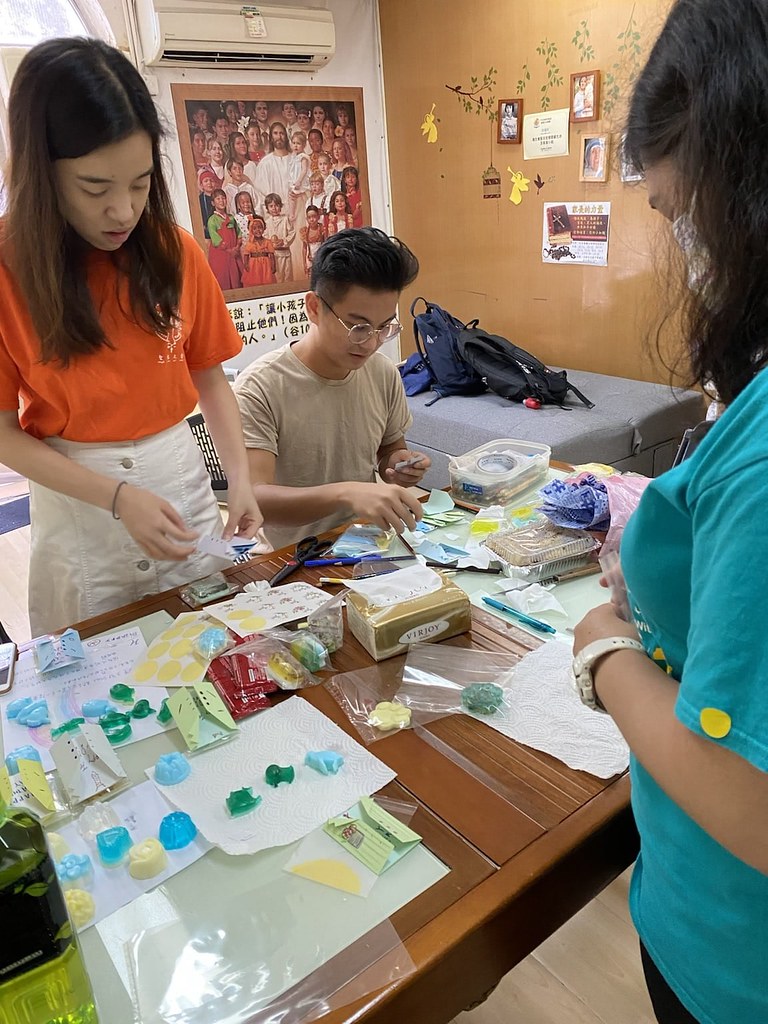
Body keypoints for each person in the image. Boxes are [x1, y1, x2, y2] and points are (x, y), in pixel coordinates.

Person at [572, 2, 768, 1022]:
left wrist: (605, 647)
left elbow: (752, 799)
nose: (687, 249)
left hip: (734, 957)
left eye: (679, 213)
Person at [0, 38, 261, 635]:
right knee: (102, 679)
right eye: (95, 189)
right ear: (44, 173)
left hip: (180, 479)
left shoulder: (173, 251)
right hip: (78, 498)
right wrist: (116, 497)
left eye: (140, 184)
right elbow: (3, 435)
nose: (123, 212)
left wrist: (241, 480)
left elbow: (210, 378)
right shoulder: (7, 267)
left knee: (203, 654)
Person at [233, 228, 430, 549]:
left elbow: (388, 450)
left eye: (384, 328)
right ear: (313, 307)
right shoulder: (261, 386)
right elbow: (255, 499)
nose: (371, 342)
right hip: (289, 556)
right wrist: (348, 493)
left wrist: (398, 465)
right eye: (358, 326)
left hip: (365, 541)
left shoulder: (382, 372)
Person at [207, 189, 243, 289]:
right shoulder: (212, 220)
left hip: (234, 253)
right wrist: (229, 250)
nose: (221, 201)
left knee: (236, 278)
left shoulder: (231, 218)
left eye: (223, 198)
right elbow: (215, 240)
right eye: (218, 199)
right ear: (213, 203)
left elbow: (238, 233)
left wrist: (237, 247)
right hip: (221, 254)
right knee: (222, 278)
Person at [255, 122, 293, 205]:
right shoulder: (265, 163)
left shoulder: (295, 160)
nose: (279, 137)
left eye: (281, 133)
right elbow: (261, 191)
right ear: (271, 138)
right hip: (273, 210)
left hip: (295, 209)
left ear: (286, 137)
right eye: (275, 133)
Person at [263, 193, 295, 283]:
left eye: (276, 205)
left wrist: (284, 241)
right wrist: (271, 244)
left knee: (287, 275)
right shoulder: (267, 222)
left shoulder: (285, 219)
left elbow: (292, 233)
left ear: (280, 206)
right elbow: (265, 237)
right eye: (271, 206)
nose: (274, 208)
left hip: (285, 253)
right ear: (267, 208)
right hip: (274, 255)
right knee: (277, 276)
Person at [241, 216, 276, 287]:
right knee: (254, 281)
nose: (258, 230)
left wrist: (273, 265)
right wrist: (246, 265)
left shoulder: (267, 242)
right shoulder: (250, 243)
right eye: (254, 228)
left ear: (264, 228)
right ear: (251, 230)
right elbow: (246, 255)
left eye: (260, 227)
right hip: (253, 265)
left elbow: (272, 255)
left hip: (265, 265)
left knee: (266, 281)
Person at [300, 205, 325, 274]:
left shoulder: (322, 229)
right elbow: (304, 248)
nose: (312, 219)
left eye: (314, 216)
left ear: (318, 217)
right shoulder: (305, 231)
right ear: (306, 219)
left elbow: (325, 245)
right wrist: (304, 263)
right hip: (310, 259)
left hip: (320, 259)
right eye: (309, 217)